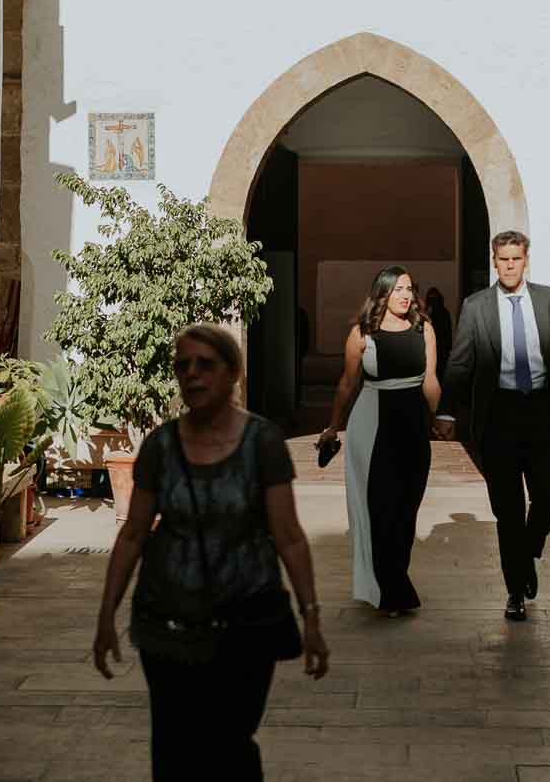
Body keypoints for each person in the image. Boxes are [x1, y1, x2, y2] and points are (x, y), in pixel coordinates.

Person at [93, 324, 329, 781]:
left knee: (230, 743)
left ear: (233, 373)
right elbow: (133, 535)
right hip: (168, 621)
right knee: (174, 746)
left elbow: (289, 535)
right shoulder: (160, 447)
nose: (192, 375)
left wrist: (312, 616)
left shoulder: (262, 443)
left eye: (205, 364)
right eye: (183, 366)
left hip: (246, 623)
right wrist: (107, 613)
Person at [435, 231, 550, 622]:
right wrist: (447, 411)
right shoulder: (476, 306)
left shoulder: (549, 299)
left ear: (525, 259)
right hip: (498, 416)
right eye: (503, 259)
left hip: (542, 412)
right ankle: (515, 590)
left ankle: (528, 552)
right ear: (494, 261)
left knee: (548, 498)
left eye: (516, 259)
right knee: (509, 510)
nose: (510, 265)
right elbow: (461, 361)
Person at [319, 267, 440, 616]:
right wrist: (332, 427)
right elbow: (346, 384)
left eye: (408, 289)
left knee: (407, 506)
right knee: (381, 507)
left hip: (414, 425)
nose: (405, 295)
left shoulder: (424, 329)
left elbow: (430, 380)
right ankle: (391, 590)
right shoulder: (362, 334)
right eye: (397, 289)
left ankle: (394, 577)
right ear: (382, 293)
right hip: (371, 427)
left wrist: (443, 417)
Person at [425, 286, 454, 375]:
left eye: (434, 299)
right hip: (431, 347)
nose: (433, 301)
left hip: (442, 348)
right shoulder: (427, 312)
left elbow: (448, 331)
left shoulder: (444, 312)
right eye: (430, 299)